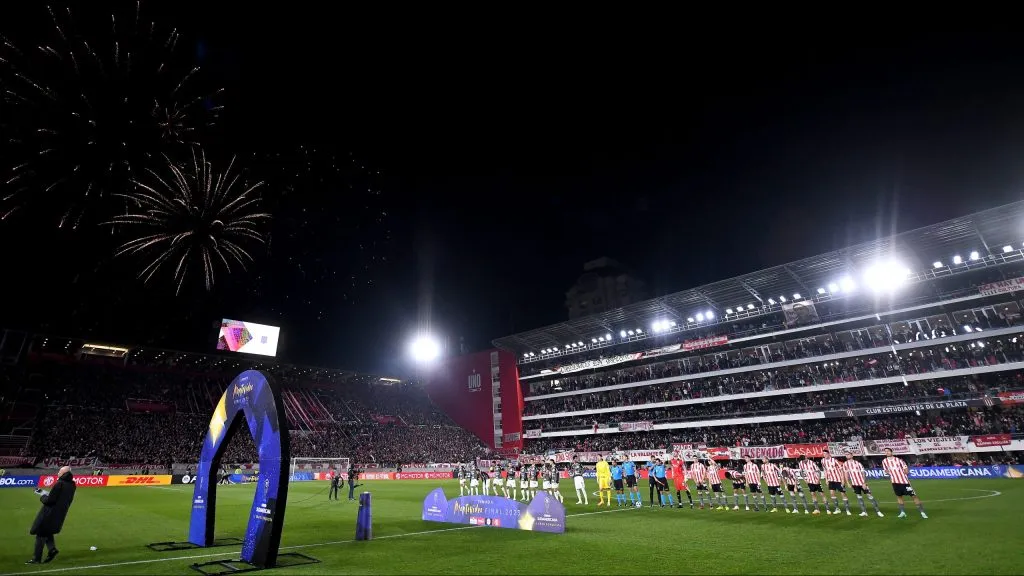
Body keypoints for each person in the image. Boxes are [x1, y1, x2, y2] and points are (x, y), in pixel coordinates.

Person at [27, 466, 76, 565]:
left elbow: (50, 501)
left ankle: (36, 559)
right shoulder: (72, 485)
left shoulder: (59, 484)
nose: (58, 473)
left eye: (59, 472)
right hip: (60, 513)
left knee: (40, 533)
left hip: (49, 513)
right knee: (47, 531)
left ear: (63, 474)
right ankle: (52, 549)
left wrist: (42, 496)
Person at [881, 448, 927, 519]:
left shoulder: (899, 460)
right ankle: (902, 512)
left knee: (913, 496)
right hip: (895, 482)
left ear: (891, 452)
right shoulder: (884, 461)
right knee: (899, 497)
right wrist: (891, 473)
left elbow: (906, 470)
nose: (886, 452)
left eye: (888, 451)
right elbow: (885, 470)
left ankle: (922, 512)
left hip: (904, 482)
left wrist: (903, 473)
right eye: (885, 452)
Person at [844, 452, 883, 517]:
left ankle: (878, 511)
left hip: (862, 483)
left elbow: (863, 473)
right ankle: (864, 511)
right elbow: (846, 474)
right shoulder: (845, 464)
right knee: (859, 497)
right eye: (846, 455)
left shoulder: (857, 463)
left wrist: (864, 483)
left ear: (852, 455)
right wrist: (848, 482)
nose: (847, 456)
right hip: (854, 484)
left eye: (848, 454)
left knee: (869, 496)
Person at [820, 449, 851, 515]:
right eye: (823, 454)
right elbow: (825, 470)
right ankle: (837, 509)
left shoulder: (834, 460)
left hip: (838, 480)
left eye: (825, 454)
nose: (824, 455)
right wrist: (826, 479)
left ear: (828, 454)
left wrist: (842, 480)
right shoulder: (823, 461)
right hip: (831, 480)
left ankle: (847, 510)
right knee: (832, 494)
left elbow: (841, 470)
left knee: (843, 494)